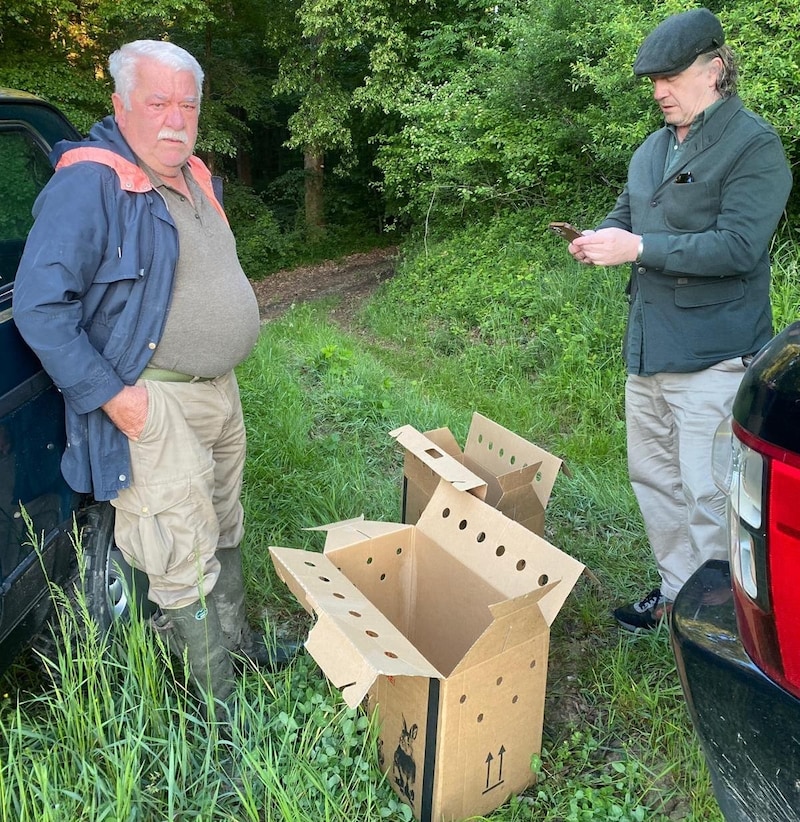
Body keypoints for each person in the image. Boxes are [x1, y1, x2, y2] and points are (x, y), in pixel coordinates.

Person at [13, 40, 296, 704]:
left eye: (188, 105)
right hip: (157, 406)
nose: (176, 119)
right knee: (180, 559)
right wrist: (117, 400)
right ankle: (219, 722)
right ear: (121, 105)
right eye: (158, 102)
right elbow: (39, 304)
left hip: (218, 394)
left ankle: (242, 653)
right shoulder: (92, 182)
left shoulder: (190, 171)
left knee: (224, 525)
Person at [568, 9, 792, 630]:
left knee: (710, 492)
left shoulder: (754, 145)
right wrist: (600, 238)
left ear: (715, 69)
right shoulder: (653, 148)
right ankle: (675, 593)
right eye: (653, 82)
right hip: (648, 350)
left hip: (713, 357)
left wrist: (638, 249)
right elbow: (624, 215)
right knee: (656, 481)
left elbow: (739, 246)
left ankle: (720, 622)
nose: (660, 92)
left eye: (671, 77)